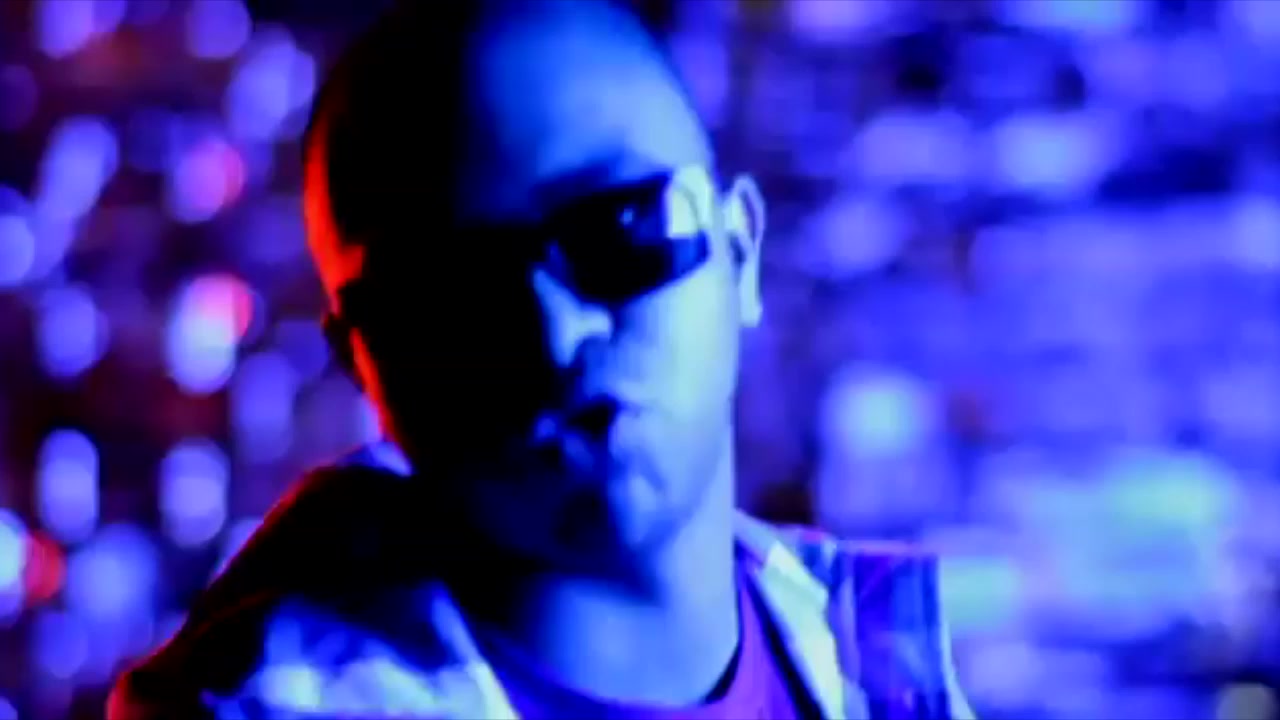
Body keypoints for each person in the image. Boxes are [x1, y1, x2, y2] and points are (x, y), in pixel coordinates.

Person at [109, 1, 975, 717]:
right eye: (447, 295)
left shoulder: (873, 659)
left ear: (740, 251)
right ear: (365, 365)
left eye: (619, 228)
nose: (554, 334)